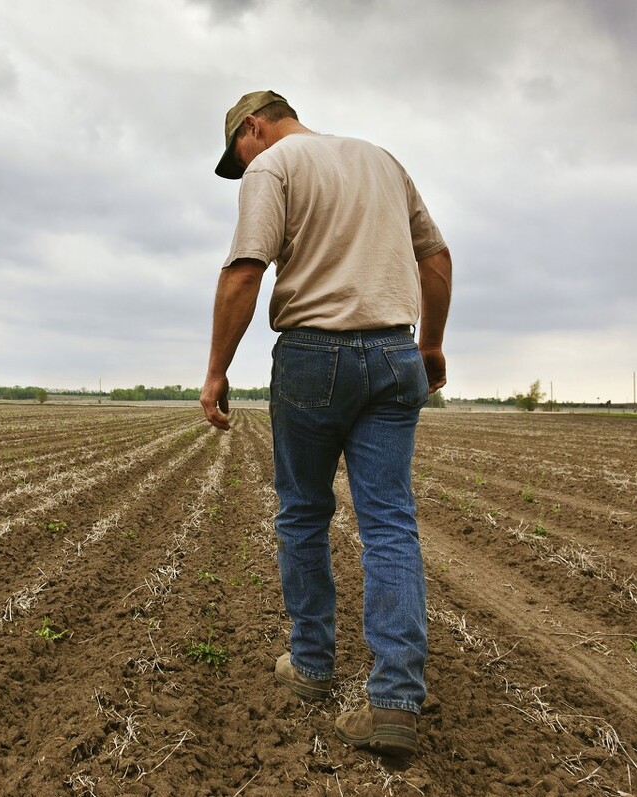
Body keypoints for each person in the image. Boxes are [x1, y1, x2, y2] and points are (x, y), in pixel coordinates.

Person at [199, 90, 452, 759]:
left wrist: (216, 369)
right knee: (390, 521)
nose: (243, 162)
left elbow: (244, 272)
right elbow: (437, 259)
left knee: (305, 513)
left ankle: (312, 666)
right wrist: (430, 347)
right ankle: (395, 698)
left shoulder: (273, 167)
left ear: (254, 127)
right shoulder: (383, 162)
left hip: (315, 354)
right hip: (397, 353)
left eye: (239, 151)